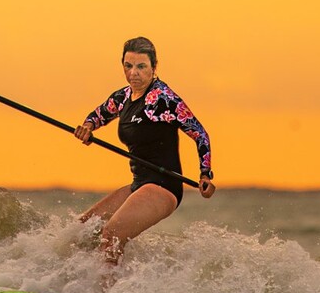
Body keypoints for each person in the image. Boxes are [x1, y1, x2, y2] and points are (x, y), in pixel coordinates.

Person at [73, 36, 214, 267]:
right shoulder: (124, 97)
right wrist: (87, 128)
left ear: (154, 67)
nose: (134, 73)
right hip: (139, 184)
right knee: (83, 230)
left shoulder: (164, 99)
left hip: (163, 187)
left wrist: (205, 174)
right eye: (128, 66)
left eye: (141, 67)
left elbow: (200, 134)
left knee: (111, 234)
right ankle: (83, 288)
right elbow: (99, 115)